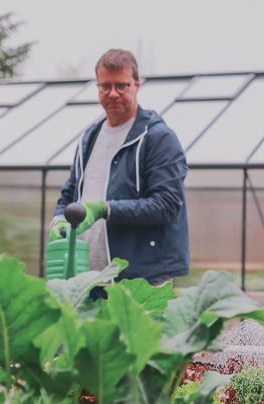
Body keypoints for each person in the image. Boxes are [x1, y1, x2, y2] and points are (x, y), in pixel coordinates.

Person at [49, 48, 189, 286]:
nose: (112, 93)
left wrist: (104, 209)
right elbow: (70, 193)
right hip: (87, 276)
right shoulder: (90, 137)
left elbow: (167, 205)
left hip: (139, 279)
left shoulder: (157, 138)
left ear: (137, 85)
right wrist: (59, 219)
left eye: (121, 86)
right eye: (105, 86)